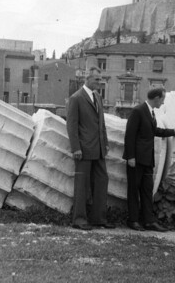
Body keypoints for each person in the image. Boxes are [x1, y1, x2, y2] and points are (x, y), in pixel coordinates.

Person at [123, 88, 175, 232]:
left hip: (147, 159)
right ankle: (133, 220)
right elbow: (129, 135)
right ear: (156, 98)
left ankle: (149, 221)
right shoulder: (138, 111)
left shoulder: (150, 112)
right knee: (133, 190)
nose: (162, 103)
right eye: (162, 99)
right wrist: (130, 157)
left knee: (147, 191)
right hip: (136, 159)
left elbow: (154, 131)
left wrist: (172, 131)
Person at [66, 67, 115, 230]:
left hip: (99, 148)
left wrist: (105, 142)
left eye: (100, 79)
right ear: (87, 79)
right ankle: (79, 220)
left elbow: (102, 122)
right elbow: (71, 125)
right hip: (84, 150)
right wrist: (76, 148)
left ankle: (98, 219)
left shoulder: (98, 97)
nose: (99, 82)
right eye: (96, 80)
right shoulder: (76, 98)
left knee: (102, 182)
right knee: (81, 185)